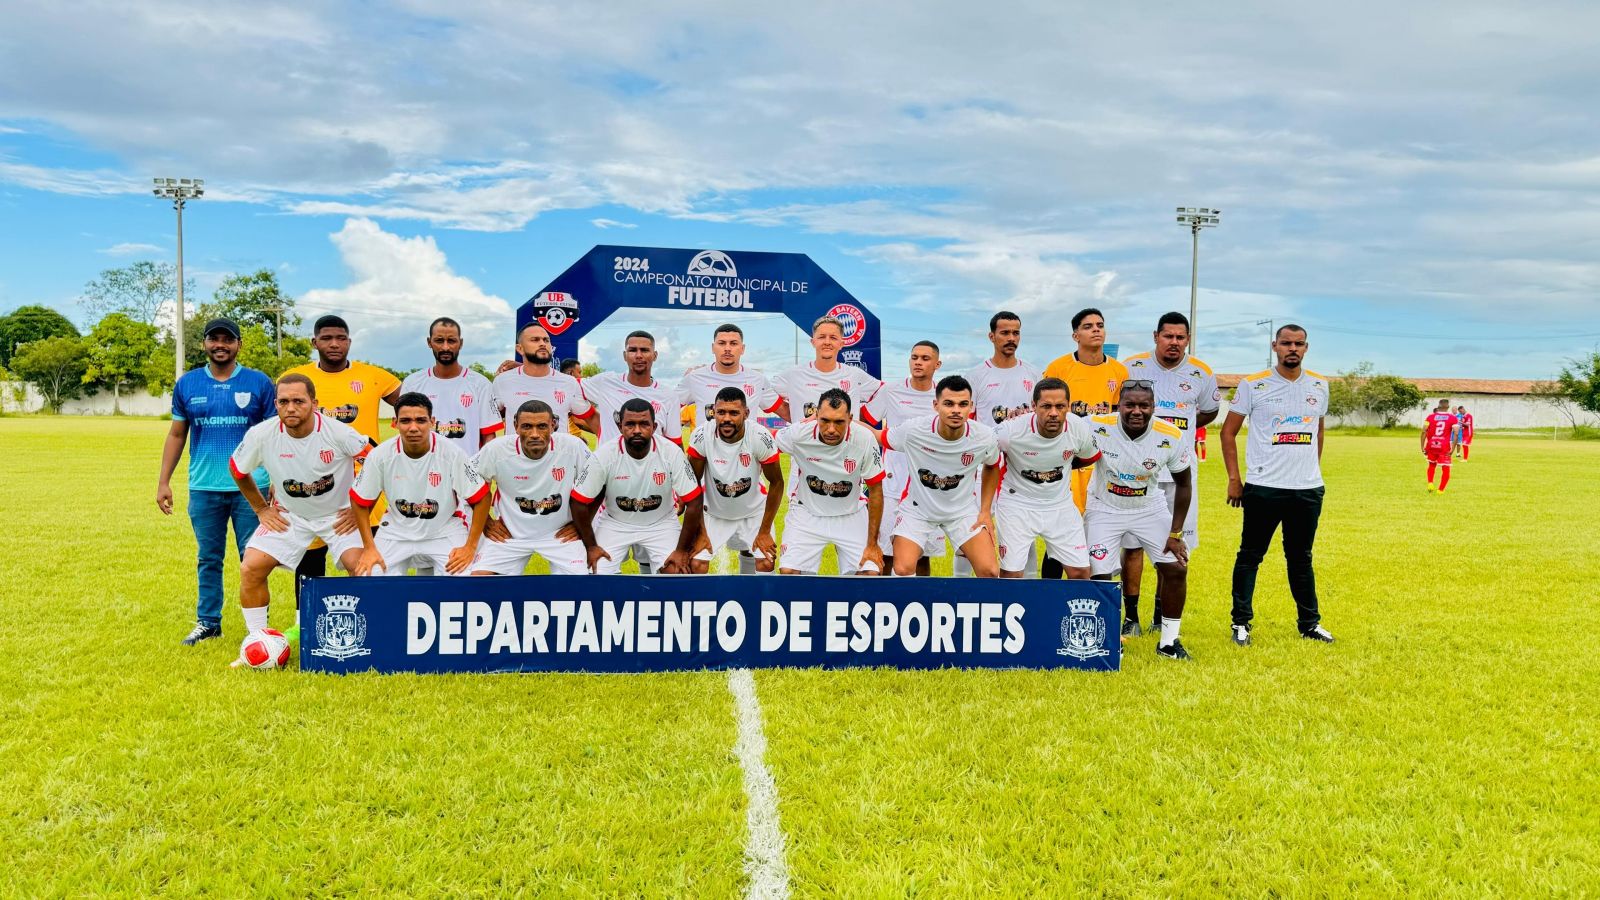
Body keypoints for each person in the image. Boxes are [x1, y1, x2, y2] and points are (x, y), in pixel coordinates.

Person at [227, 374, 375, 666]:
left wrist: (361, 507)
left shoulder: (338, 432)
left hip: (338, 517)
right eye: (284, 402)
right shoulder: (262, 434)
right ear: (276, 405)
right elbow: (237, 469)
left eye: (299, 401)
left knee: (363, 570)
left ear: (314, 404)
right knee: (251, 567)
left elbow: (375, 460)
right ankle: (259, 642)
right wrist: (261, 509)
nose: (291, 407)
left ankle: (369, 640)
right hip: (290, 515)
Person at [156, 317, 277, 646]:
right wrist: (164, 481)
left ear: (239, 344)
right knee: (208, 558)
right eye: (214, 339)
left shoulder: (259, 383)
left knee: (253, 559)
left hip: (251, 489)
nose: (220, 345)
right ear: (205, 344)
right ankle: (208, 622)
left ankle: (259, 630)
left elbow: (274, 438)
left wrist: (276, 483)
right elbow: (177, 433)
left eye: (228, 339)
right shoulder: (188, 384)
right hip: (204, 487)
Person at [1221, 324, 1335, 646]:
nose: (1292, 349)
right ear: (1275, 346)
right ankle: (1241, 623)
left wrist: (1311, 469)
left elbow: (1318, 431)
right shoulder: (1253, 385)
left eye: (1298, 344)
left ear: (1306, 348)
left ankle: (1309, 624)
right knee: (1250, 556)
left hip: (1307, 490)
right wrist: (1234, 479)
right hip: (1264, 487)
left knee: (1301, 558)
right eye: (1286, 343)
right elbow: (1227, 432)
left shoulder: (1319, 385)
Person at [282, 315, 402, 588]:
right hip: (311, 482)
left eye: (341, 338)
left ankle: (368, 620)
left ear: (349, 341)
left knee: (366, 559)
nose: (334, 344)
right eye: (326, 338)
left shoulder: (373, 376)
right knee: (310, 562)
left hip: (363, 482)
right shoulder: (296, 378)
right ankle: (306, 623)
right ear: (314, 342)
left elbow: (411, 407)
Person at [1120, 312, 1220, 635]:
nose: (1174, 343)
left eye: (1180, 338)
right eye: (1168, 336)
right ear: (1155, 336)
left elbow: (1209, 410)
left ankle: (1161, 618)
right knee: (1133, 546)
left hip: (1181, 477)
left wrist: (1179, 436)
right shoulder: (1132, 368)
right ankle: (1131, 617)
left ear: (1187, 340)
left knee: (1175, 547)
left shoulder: (1201, 373)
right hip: (1138, 474)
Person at [1084, 381, 1195, 659]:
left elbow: (1184, 484)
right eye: (1129, 405)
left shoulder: (1170, 435)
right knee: (1099, 574)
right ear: (1118, 406)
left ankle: (1169, 643)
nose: (1137, 411)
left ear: (1153, 408)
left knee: (1176, 568)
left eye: (1144, 405)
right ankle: (1109, 641)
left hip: (1149, 507)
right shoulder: (1095, 425)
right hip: (1104, 507)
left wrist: (1176, 533)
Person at [348, 392, 491, 575]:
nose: (413, 428)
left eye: (421, 420)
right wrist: (369, 547)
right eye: (406, 421)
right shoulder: (380, 455)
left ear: (432, 422)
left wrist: (470, 547)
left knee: (463, 579)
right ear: (395, 422)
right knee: (371, 574)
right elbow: (360, 501)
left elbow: (482, 497)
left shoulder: (452, 453)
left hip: (444, 529)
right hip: (397, 531)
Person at [882, 375, 1003, 578]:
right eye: (949, 404)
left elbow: (992, 466)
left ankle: (967, 608)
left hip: (962, 511)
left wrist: (984, 511)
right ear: (935, 405)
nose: (956, 410)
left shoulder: (984, 436)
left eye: (963, 404)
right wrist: (843, 425)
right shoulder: (914, 430)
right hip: (917, 510)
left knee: (990, 572)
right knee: (902, 569)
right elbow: (879, 436)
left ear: (971, 406)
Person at [1043, 307, 1131, 581]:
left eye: (1100, 324)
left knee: (1099, 539)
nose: (1096, 329)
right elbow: (1047, 412)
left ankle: (1093, 601)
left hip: (1102, 463)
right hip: (1067, 461)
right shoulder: (1059, 368)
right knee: (1060, 538)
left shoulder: (1119, 371)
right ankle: (1050, 598)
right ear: (1075, 334)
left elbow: (1121, 420)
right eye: (1088, 325)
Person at [569, 398, 703, 574]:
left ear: (654, 427)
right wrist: (591, 546)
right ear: (620, 426)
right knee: (596, 570)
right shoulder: (604, 455)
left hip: (661, 522)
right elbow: (577, 501)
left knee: (676, 570)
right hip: (615, 522)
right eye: (630, 424)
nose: (637, 430)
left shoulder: (671, 453)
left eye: (644, 424)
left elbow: (694, 501)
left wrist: (681, 550)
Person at [994, 378, 1101, 579]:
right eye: (1046, 406)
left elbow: (1089, 457)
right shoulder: (1010, 431)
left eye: (1060, 406)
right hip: (1017, 504)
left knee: (1080, 573)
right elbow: (988, 459)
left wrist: (1061, 467)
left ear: (1068, 406)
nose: (1053, 413)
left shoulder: (1079, 429)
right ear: (1034, 406)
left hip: (1060, 504)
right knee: (1012, 574)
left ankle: (1064, 611)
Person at [470, 400, 593, 576]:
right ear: (515, 426)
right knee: (478, 583)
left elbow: (600, 482)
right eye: (527, 426)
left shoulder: (573, 447)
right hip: (510, 534)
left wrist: (582, 523)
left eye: (542, 426)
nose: (535, 434)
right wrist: (486, 522)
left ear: (553, 425)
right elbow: (465, 480)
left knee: (580, 587)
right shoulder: (496, 450)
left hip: (561, 534)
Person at [773, 389, 886, 575]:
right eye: (825, 420)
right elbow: (766, 443)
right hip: (807, 513)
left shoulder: (864, 439)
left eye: (839, 422)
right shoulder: (799, 433)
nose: (831, 429)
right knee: (789, 574)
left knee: (870, 574)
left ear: (850, 418)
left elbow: (876, 490)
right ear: (816, 415)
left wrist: (872, 544)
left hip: (851, 514)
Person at [685, 387, 785, 574]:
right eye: (721, 412)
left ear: (746, 413)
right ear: (713, 412)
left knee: (766, 562)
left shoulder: (760, 437)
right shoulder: (701, 436)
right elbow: (692, 484)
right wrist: (701, 531)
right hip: (713, 513)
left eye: (734, 413)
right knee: (696, 564)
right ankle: (705, 603)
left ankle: (752, 600)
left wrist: (764, 531)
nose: (727, 418)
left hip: (753, 513)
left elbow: (777, 482)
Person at [868, 340, 943, 576]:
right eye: (914, 357)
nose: (918, 362)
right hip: (892, 484)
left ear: (937, 364)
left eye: (925, 358)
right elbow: (868, 422)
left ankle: (920, 601)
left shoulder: (944, 395)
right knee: (887, 553)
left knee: (921, 555)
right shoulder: (891, 391)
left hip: (929, 488)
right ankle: (884, 603)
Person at [400, 317, 501, 454]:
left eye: (451, 341)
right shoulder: (412, 383)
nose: (445, 347)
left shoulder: (480, 384)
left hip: (466, 470)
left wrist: (482, 474)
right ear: (429, 342)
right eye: (439, 340)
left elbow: (489, 436)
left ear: (461, 343)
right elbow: (404, 434)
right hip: (424, 470)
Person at [772, 317, 883, 425]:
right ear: (813, 342)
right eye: (821, 337)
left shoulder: (855, 375)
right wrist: (793, 416)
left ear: (841, 344)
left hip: (846, 443)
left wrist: (861, 417)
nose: (827, 342)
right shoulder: (793, 375)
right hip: (804, 443)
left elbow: (888, 392)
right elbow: (764, 392)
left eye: (833, 337)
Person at [493, 323, 599, 436]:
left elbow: (592, 418)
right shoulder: (503, 381)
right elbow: (486, 422)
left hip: (558, 453)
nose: (542, 344)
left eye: (546, 340)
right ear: (520, 348)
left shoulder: (568, 383)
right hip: (516, 453)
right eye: (535, 340)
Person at [583, 331, 686, 445]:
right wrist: (587, 414)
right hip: (608, 462)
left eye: (644, 350)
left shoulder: (669, 397)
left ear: (655, 355)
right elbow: (570, 386)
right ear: (624, 355)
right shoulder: (605, 382)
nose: (638, 355)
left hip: (650, 462)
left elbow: (675, 444)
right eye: (632, 350)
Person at [677, 324, 783, 427]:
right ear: (713, 348)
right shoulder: (694, 377)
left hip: (746, 445)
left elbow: (785, 411)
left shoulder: (758, 379)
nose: (727, 348)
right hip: (706, 445)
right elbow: (667, 407)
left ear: (742, 348)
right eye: (722, 343)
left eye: (733, 343)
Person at [1422, 399, 1458, 494]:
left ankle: (1430, 483)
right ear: (1448, 406)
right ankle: (1440, 490)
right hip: (1444, 446)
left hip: (1431, 445)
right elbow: (1456, 433)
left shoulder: (1430, 417)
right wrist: (1453, 448)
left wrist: (1422, 447)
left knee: (1431, 465)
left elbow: (1424, 431)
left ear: (1439, 405)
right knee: (1446, 468)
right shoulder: (1453, 418)